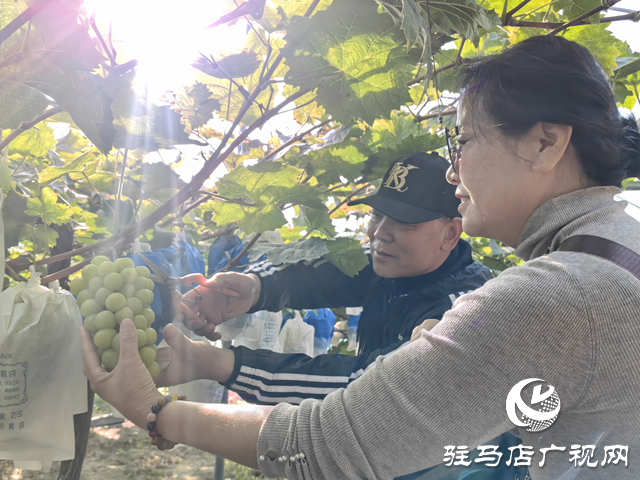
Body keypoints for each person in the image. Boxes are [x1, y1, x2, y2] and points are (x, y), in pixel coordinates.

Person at [81, 35, 640, 480]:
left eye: (463, 141)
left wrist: (155, 409)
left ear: (546, 143)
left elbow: (330, 446)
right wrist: (255, 288)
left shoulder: (546, 296)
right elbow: (334, 276)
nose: (455, 170)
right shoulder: (618, 245)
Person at [157, 152, 523, 479]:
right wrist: (252, 287)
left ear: (451, 232)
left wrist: (220, 363)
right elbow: (317, 274)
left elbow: (366, 391)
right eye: (378, 215)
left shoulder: (462, 310)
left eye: (404, 223)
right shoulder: (397, 266)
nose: (381, 234)